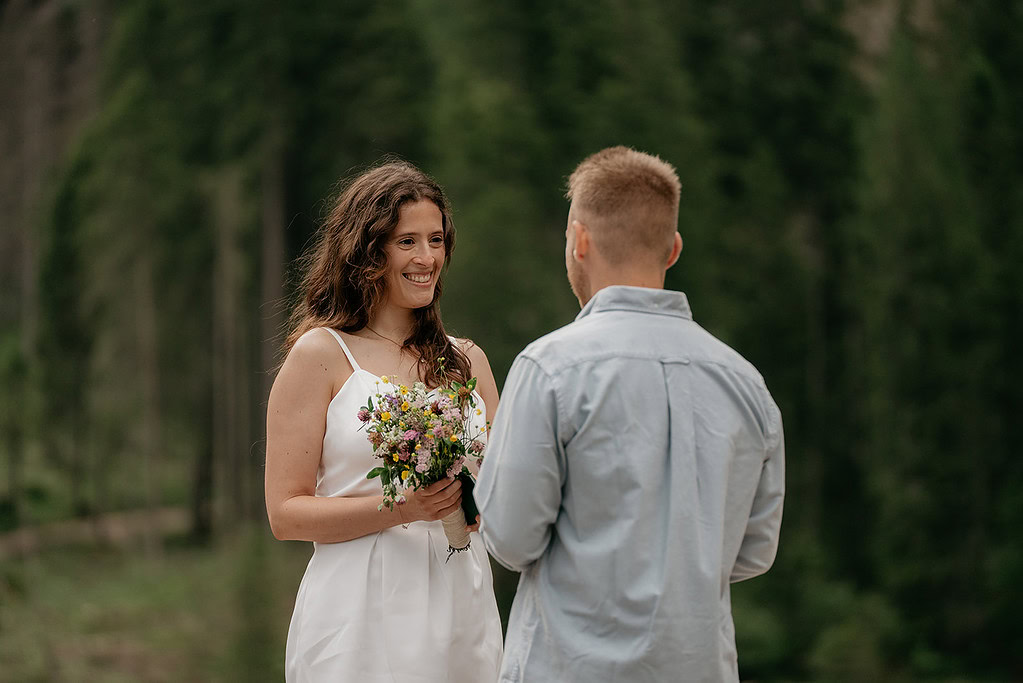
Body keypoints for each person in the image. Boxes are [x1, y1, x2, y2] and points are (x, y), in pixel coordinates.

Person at [475, 146, 785, 682]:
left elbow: (510, 538)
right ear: (674, 248)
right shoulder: (745, 384)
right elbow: (754, 551)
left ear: (579, 239)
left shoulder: (550, 368)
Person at [265, 161, 503, 682]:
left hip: (460, 600)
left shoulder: (467, 362)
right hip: (359, 610)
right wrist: (403, 508)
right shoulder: (320, 355)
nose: (427, 258)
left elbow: (507, 489)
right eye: (407, 242)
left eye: (436, 240)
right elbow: (285, 514)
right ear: (367, 252)